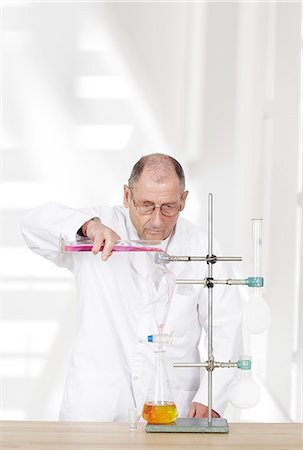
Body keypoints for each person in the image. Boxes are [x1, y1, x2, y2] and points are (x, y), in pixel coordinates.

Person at [22, 153, 242, 422]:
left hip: (174, 404)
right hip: (96, 406)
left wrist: (212, 396)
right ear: (127, 196)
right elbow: (33, 226)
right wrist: (87, 227)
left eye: (169, 207)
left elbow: (226, 326)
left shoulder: (203, 248)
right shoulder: (96, 226)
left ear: (183, 200)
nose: (158, 220)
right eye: (146, 205)